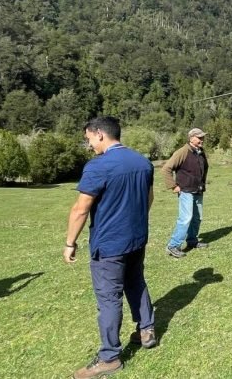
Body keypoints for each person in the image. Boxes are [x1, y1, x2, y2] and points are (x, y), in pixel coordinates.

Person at [64, 116, 157, 379]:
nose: (89, 144)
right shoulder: (142, 161)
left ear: (100, 135)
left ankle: (109, 357)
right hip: (137, 238)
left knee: (108, 298)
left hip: (109, 244)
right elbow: (148, 199)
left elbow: (80, 209)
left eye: (89, 139)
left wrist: (70, 243)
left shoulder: (98, 166)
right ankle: (146, 330)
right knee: (136, 282)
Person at [162, 128, 209, 258]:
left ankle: (192, 241)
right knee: (185, 219)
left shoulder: (200, 152)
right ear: (191, 138)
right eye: (199, 137)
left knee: (197, 218)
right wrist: (173, 186)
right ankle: (173, 245)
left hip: (198, 190)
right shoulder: (183, 152)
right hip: (186, 191)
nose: (202, 140)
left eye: (202, 137)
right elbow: (166, 169)